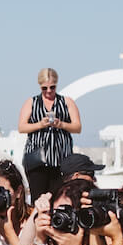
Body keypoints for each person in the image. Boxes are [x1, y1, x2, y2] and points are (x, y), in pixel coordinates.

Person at [17, 67, 80, 201]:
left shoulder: (66, 102)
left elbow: (77, 127)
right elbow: (22, 127)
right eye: (44, 88)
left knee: (59, 198)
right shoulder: (32, 103)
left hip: (61, 159)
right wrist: (40, 124)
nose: (49, 91)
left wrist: (61, 124)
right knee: (38, 199)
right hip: (37, 161)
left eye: (52, 87)